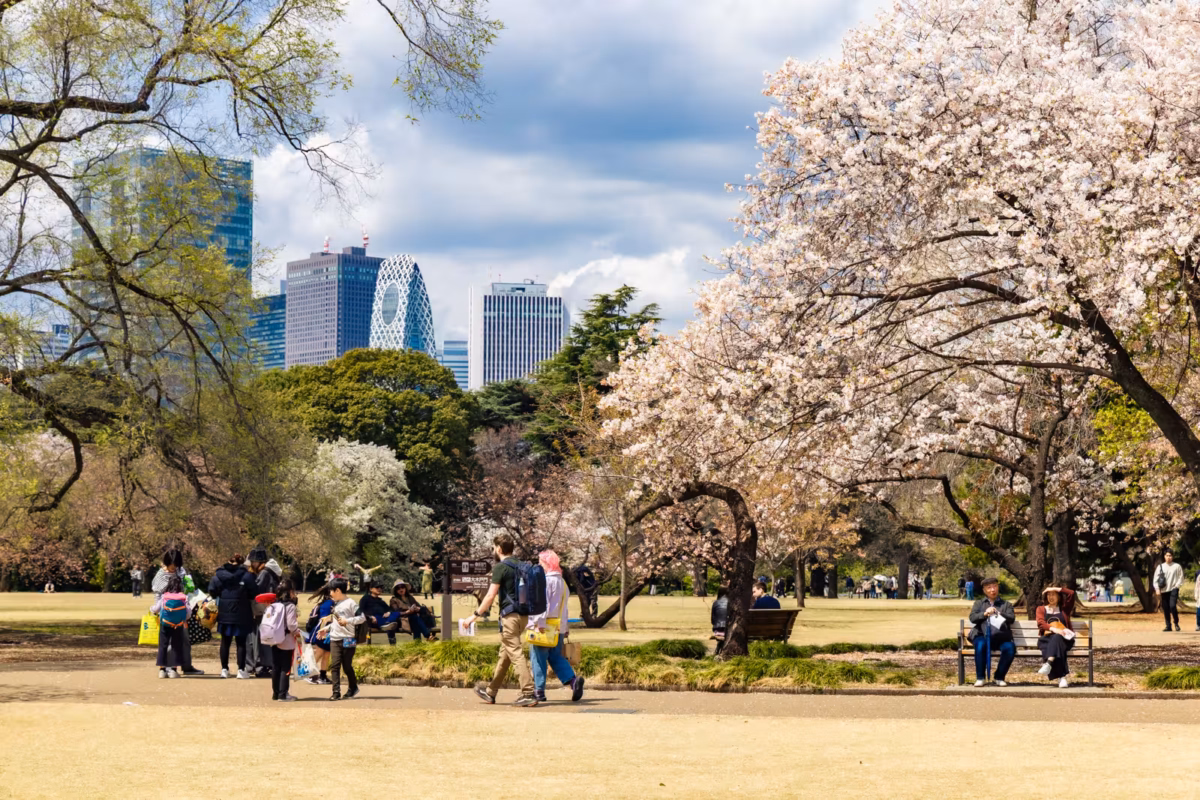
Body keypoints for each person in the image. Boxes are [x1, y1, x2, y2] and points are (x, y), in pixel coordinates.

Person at [463, 534, 538, 707]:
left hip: (509, 616)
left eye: (493, 548)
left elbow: (490, 595)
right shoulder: (522, 565)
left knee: (515, 653)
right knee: (505, 654)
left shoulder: (501, 568)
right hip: (523, 615)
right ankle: (491, 692)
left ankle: (528, 692)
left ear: (498, 549)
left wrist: (474, 616)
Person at [526, 550, 585, 704]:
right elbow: (563, 608)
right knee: (556, 656)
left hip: (544, 626)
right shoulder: (563, 583)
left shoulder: (545, 581)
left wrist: (538, 623)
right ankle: (572, 681)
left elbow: (542, 605)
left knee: (538, 658)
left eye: (541, 562)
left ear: (547, 563)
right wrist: (565, 628)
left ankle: (539, 690)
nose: (539, 565)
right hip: (558, 627)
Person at [153, 550, 203, 675]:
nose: (173, 567)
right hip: (166, 612)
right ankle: (168, 668)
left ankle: (186, 666)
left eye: (175, 565)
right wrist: (158, 610)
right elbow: (157, 593)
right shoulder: (160, 574)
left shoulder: (182, 572)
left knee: (184, 640)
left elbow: (188, 590)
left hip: (181, 611)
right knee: (169, 642)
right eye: (171, 565)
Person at [208, 554, 256, 679]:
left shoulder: (218, 576)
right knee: (241, 643)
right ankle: (241, 669)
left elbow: (212, 591)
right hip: (242, 613)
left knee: (225, 642)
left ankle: (224, 669)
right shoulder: (247, 576)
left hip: (224, 612)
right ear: (241, 563)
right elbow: (254, 593)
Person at [319, 578, 364, 701]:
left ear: (338, 590)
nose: (330, 594)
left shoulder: (351, 603)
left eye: (331, 591)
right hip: (335, 638)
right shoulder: (336, 604)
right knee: (334, 665)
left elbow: (362, 617)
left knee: (347, 666)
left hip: (348, 639)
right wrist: (326, 629)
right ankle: (336, 692)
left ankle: (353, 687)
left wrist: (347, 621)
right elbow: (335, 622)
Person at [968, 576, 1016, 687]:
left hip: (1001, 637)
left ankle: (999, 677)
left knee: (1010, 648)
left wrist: (998, 613)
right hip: (982, 635)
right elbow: (973, 618)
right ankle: (980, 677)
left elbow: (1012, 618)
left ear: (998, 587)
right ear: (984, 590)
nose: (992, 590)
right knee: (980, 645)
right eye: (989, 587)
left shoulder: (1006, 604)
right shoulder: (979, 603)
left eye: (994, 586)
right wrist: (985, 613)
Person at [248, 548, 283, 678]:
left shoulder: (264, 573)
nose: (252, 564)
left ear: (260, 562)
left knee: (262, 638)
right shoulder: (274, 571)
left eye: (254, 562)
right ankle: (269, 664)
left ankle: (264, 665)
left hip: (264, 609)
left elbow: (256, 589)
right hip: (273, 609)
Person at [264, 579, 300, 701]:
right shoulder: (290, 606)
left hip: (274, 639)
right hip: (286, 640)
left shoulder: (273, 605)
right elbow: (291, 625)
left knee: (276, 667)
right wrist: (297, 633)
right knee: (285, 667)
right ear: (290, 592)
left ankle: (276, 693)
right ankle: (283, 694)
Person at [1035, 586, 1076, 688]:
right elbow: (1041, 623)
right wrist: (1054, 629)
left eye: (1053, 594)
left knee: (1057, 639)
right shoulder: (1041, 609)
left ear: (1059, 596)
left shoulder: (1064, 609)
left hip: (1064, 639)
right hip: (1046, 639)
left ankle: (1048, 664)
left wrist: (1055, 588)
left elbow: (1071, 593)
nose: (1050, 597)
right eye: (1048, 594)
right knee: (1056, 646)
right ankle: (1062, 678)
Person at [153, 575, 189, 678]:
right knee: (176, 646)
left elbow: (156, 609)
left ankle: (162, 670)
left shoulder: (164, 596)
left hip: (165, 623)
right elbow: (188, 612)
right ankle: (173, 670)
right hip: (178, 625)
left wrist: (151, 609)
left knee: (163, 645)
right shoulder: (183, 597)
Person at [305, 584, 334, 685]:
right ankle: (308, 673)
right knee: (320, 652)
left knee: (326, 654)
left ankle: (323, 676)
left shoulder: (330, 603)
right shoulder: (329, 604)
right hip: (322, 631)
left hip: (328, 631)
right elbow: (324, 619)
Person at [1153, 551, 1184, 632]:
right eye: (1167, 555)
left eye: (1170, 555)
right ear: (1164, 556)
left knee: (1173, 606)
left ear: (1172, 556)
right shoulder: (1160, 567)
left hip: (1173, 589)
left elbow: (1181, 578)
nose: (1169, 557)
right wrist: (1157, 589)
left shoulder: (1177, 566)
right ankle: (1168, 625)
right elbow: (1155, 579)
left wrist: (1176, 586)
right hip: (1164, 590)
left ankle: (1176, 623)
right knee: (1166, 608)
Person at [711, 586, 729, 655]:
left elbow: (713, 620)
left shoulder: (715, 603)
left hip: (718, 629)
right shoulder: (732, 603)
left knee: (721, 640)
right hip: (728, 629)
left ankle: (718, 650)